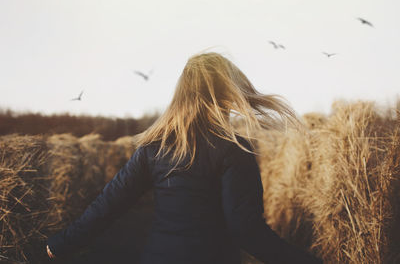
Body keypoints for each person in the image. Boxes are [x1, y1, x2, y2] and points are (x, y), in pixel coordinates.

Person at [46, 52, 322, 264]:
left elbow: (108, 204)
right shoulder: (234, 149)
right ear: (227, 94)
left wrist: (60, 244)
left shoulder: (154, 147)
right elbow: (245, 229)